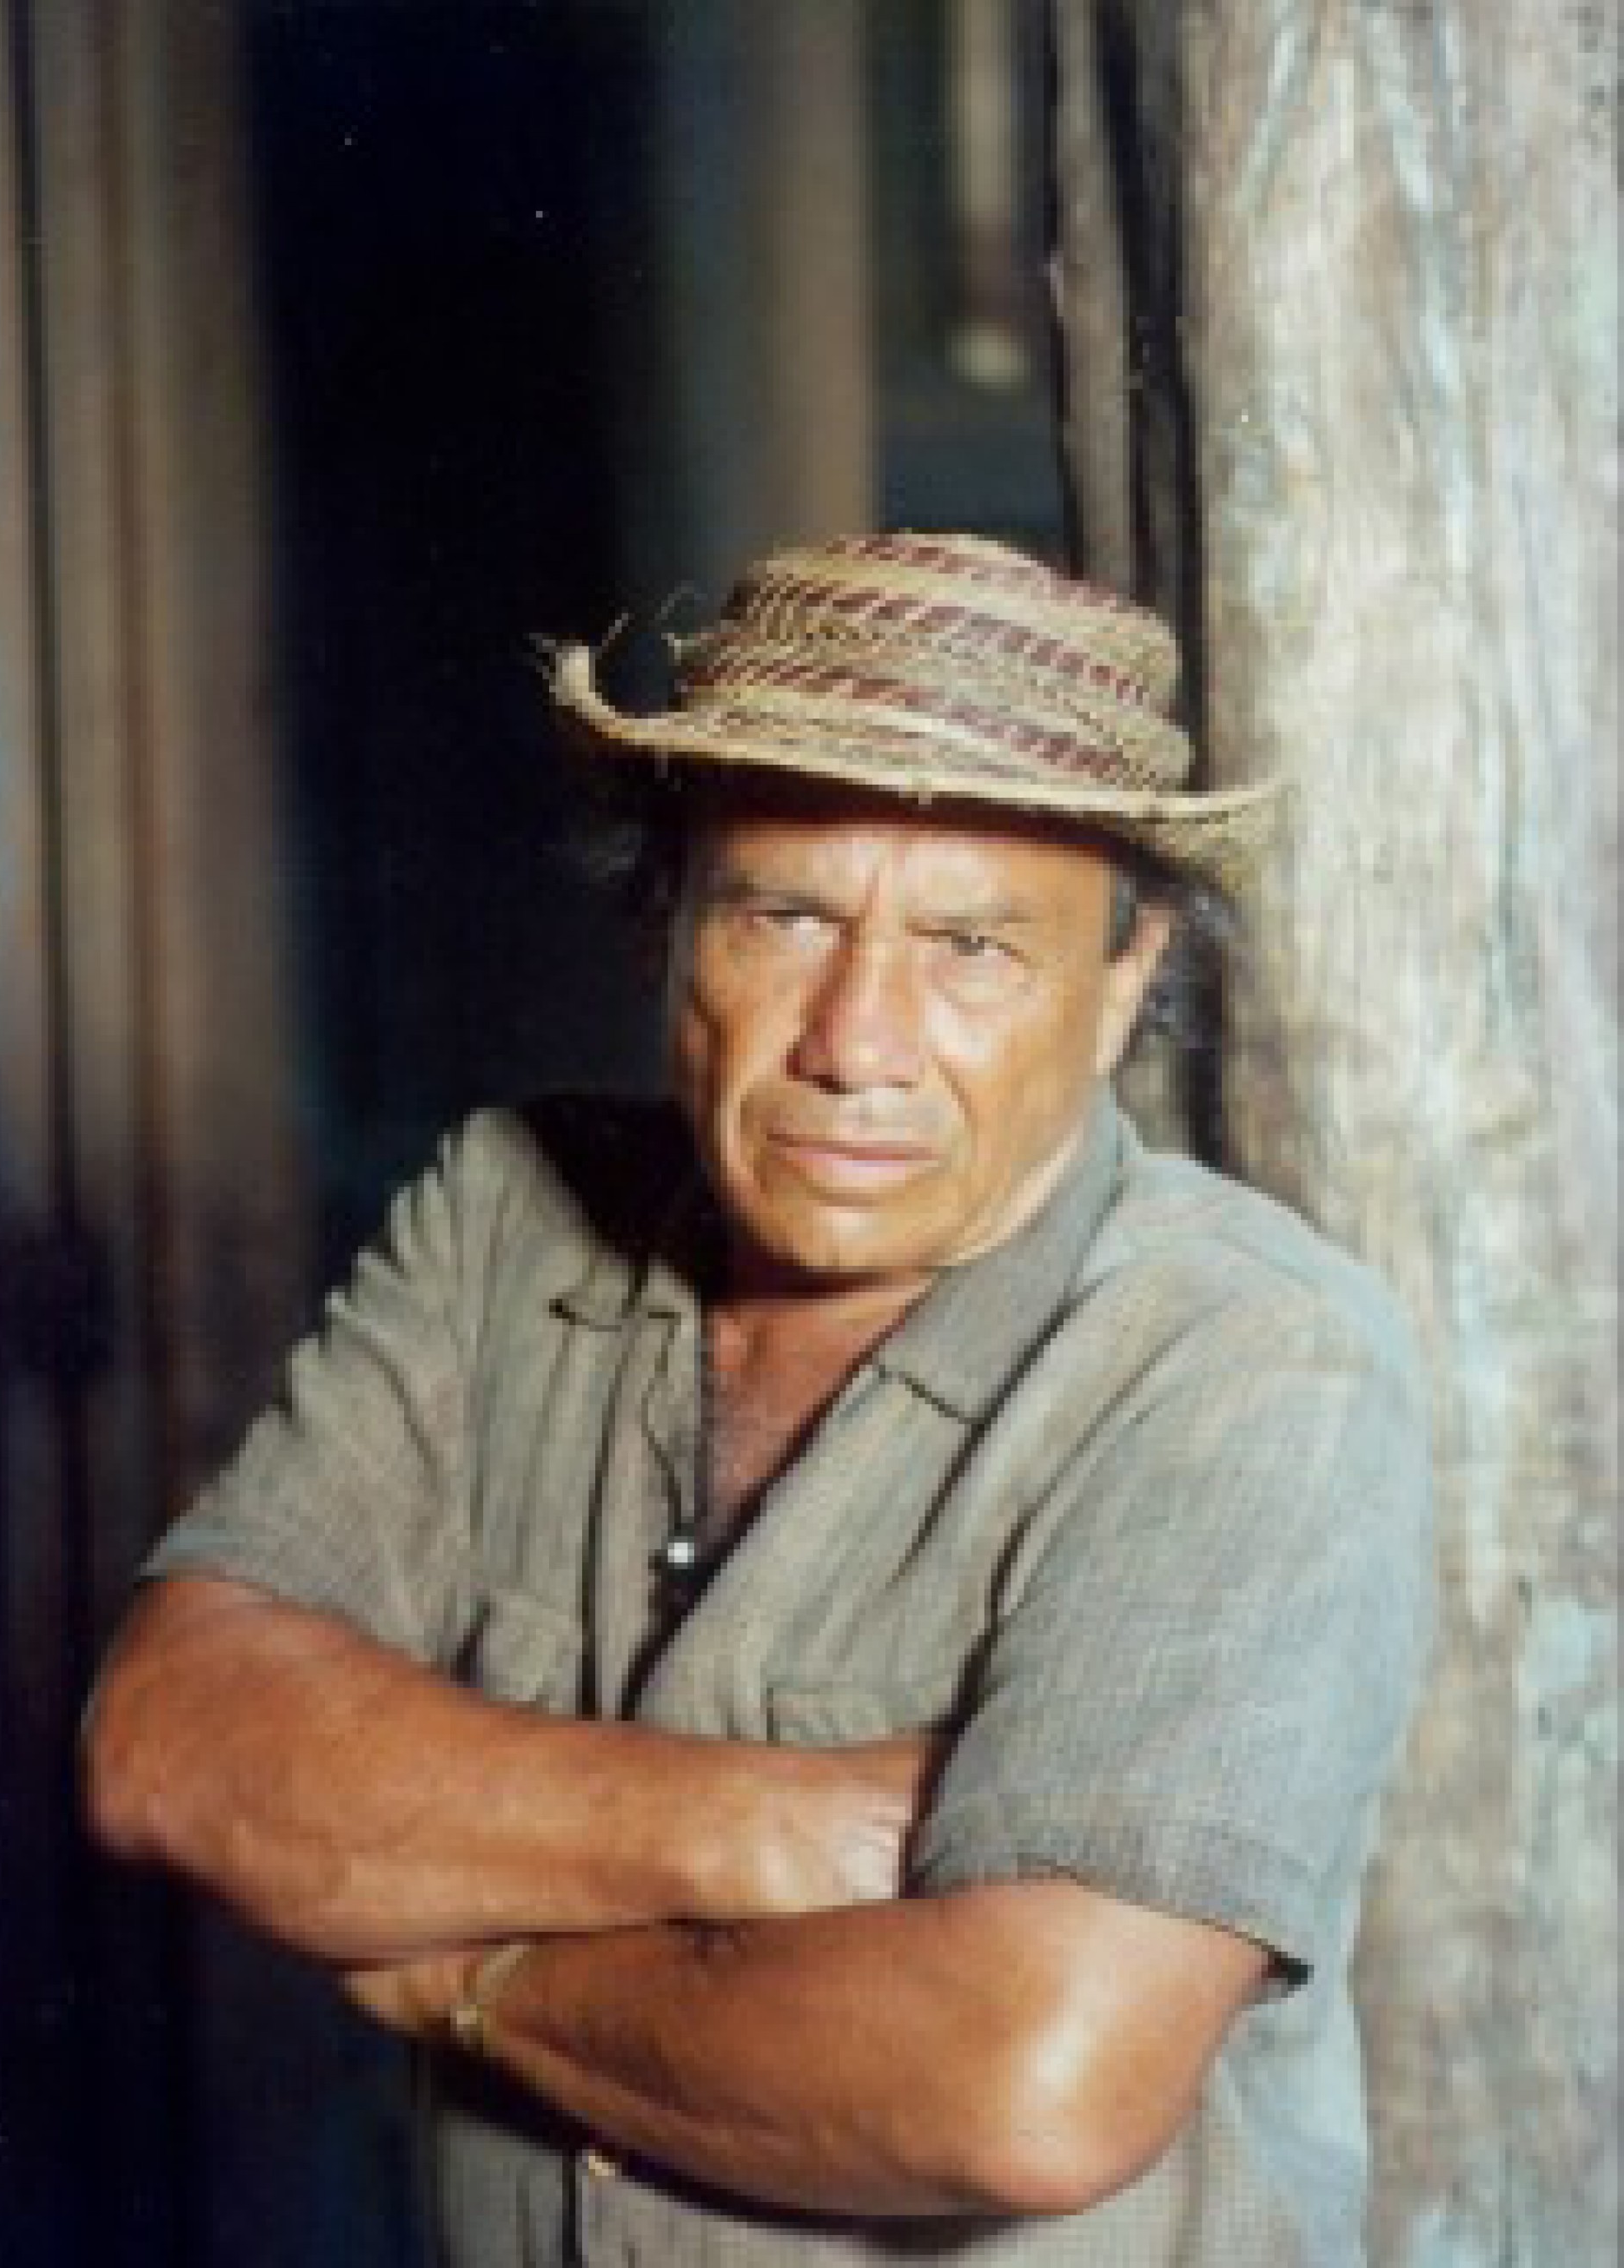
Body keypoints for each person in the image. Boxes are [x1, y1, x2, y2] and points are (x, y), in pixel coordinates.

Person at [82, 531, 1432, 2264]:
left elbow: (1022, 2089)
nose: (857, 1042)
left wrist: (475, 1983)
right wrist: (791, 1822)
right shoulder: (507, 1214)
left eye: (973, 947)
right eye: (786, 916)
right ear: (669, 921)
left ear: (1119, 987)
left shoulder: (1246, 1360)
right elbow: (171, 1746)